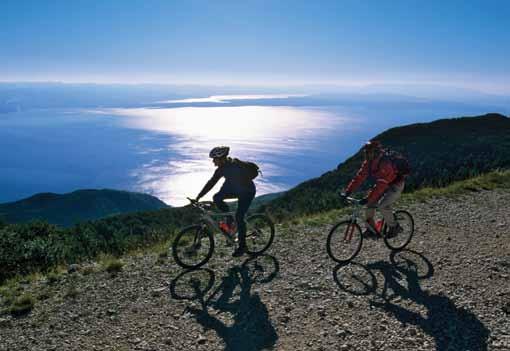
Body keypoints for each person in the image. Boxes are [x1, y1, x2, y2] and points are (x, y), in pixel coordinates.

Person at [195, 146, 256, 257]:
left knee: (239, 216)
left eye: (215, 159)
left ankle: (242, 246)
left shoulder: (235, 167)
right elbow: (211, 183)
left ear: (221, 158)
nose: (213, 162)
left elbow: (236, 185)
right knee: (217, 198)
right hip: (236, 189)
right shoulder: (222, 169)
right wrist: (198, 197)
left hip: (247, 192)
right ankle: (229, 220)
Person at [341, 140, 406, 238]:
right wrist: (348, 191)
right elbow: (359, 177)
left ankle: (394, 227)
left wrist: (368, 197)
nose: (366, 155)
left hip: (395, 185)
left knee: (383, 206)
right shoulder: (369, 162)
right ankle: (371, 229)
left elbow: (381, 185)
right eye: (366, 153)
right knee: (369, 204)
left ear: (375, 152)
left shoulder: (385, 164)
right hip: (383, 184)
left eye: (368, 152)